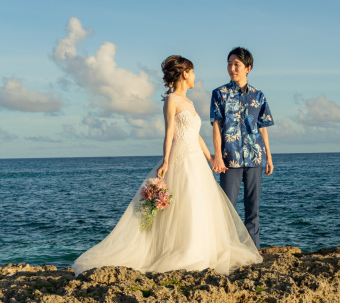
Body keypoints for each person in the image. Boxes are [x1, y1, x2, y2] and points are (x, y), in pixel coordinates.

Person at [72, 55, 262, 276]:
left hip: (197, 161)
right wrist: (165, 161)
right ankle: (186, 253)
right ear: (184, 74)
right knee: (185, 204)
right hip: (180, 159)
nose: (194, 76)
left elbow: (196, 134)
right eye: (192, 72)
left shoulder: (189, 102)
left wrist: (210, 157)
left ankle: (201, 249)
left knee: (198, 205)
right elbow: (170, 133)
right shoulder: (172, 100)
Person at [210, 47, 274, 250]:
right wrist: (218, 157)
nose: (231, 68)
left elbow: (262, 129)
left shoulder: (259, 96)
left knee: (252, 209)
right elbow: (216, 127)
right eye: (229, 64)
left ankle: (253, 252)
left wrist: (269, 158)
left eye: (236, 64)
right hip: (230, 159)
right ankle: (226, 251)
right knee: (227, 209)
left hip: (255, 158)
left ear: (248, 68)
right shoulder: (219, 94)